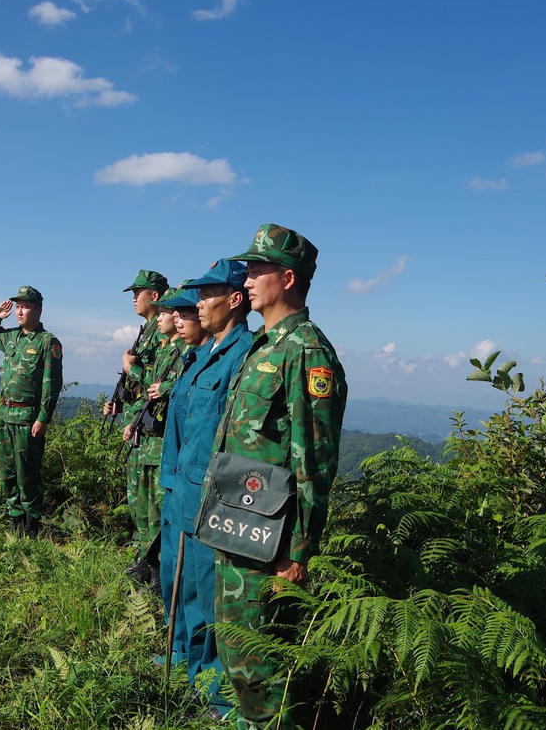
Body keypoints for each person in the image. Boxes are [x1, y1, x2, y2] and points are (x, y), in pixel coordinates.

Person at [211, 225, 347, 728]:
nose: (246, 279)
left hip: (271, 543)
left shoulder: (306, 351)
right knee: (237, 658)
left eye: (257, 269)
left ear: (287, 278)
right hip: (237, 528)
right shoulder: (263, 346)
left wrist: (298, 550)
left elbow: (314, 459)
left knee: (265, 668)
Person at [157, 261, 253, 716]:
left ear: (234, 300)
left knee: (205, 593)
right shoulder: (200, 353)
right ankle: (180, 662)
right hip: (179, 489)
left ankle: (210, 688)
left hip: (207, 497)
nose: (197, 304)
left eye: (206, 294)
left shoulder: (243, 354)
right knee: (174, 581)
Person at [0, 285, 63, 536]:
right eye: (18, 306)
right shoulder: (11, 337)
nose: (19, 311)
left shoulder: (47, 342)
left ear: (38, 310)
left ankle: (32, 528)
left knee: (27, 474)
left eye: (25, 306)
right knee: (7, 473)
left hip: (28, 418)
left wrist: (43, 417)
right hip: (5, 416)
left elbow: (52, 384)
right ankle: (15, 524)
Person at [104, 269, 168, 574]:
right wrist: (120, 402)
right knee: (138, 503)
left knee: (153, 506)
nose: (133, 299)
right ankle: (144, 560)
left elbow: (161, 383)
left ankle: (155, 568)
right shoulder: (146, 331)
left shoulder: (164, 332)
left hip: (153, 435)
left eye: (137, 293)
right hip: (137, 428)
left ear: (153, 295)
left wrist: (132, 369)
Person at [123, 287, 186, 587]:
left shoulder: (183, 352)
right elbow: (147, 396)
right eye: (159, 312)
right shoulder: (164, 350)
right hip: (146, 439)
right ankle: (147, 566)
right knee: (143, 507)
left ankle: (159, 574)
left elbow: (159, 389)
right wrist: (131, 419)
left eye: (166, 312)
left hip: (162, 444)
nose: (161, 317)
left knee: (159, 511)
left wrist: (133, 370)